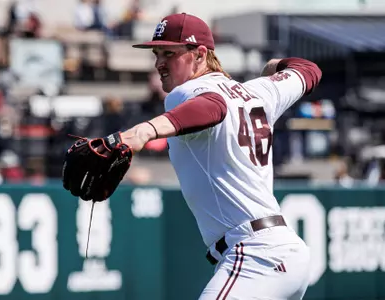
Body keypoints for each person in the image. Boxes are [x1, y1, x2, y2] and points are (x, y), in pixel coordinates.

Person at [99, 12, 321, 299]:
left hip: (255, 254)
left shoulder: (185, 92)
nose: (159, 63)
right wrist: (277, 66)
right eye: (156, 53)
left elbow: (212, 107)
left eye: (170, 53)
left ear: (200, 54)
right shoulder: (259, 90)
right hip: (286, 252)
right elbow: (308, 69)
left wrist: (141, 132)